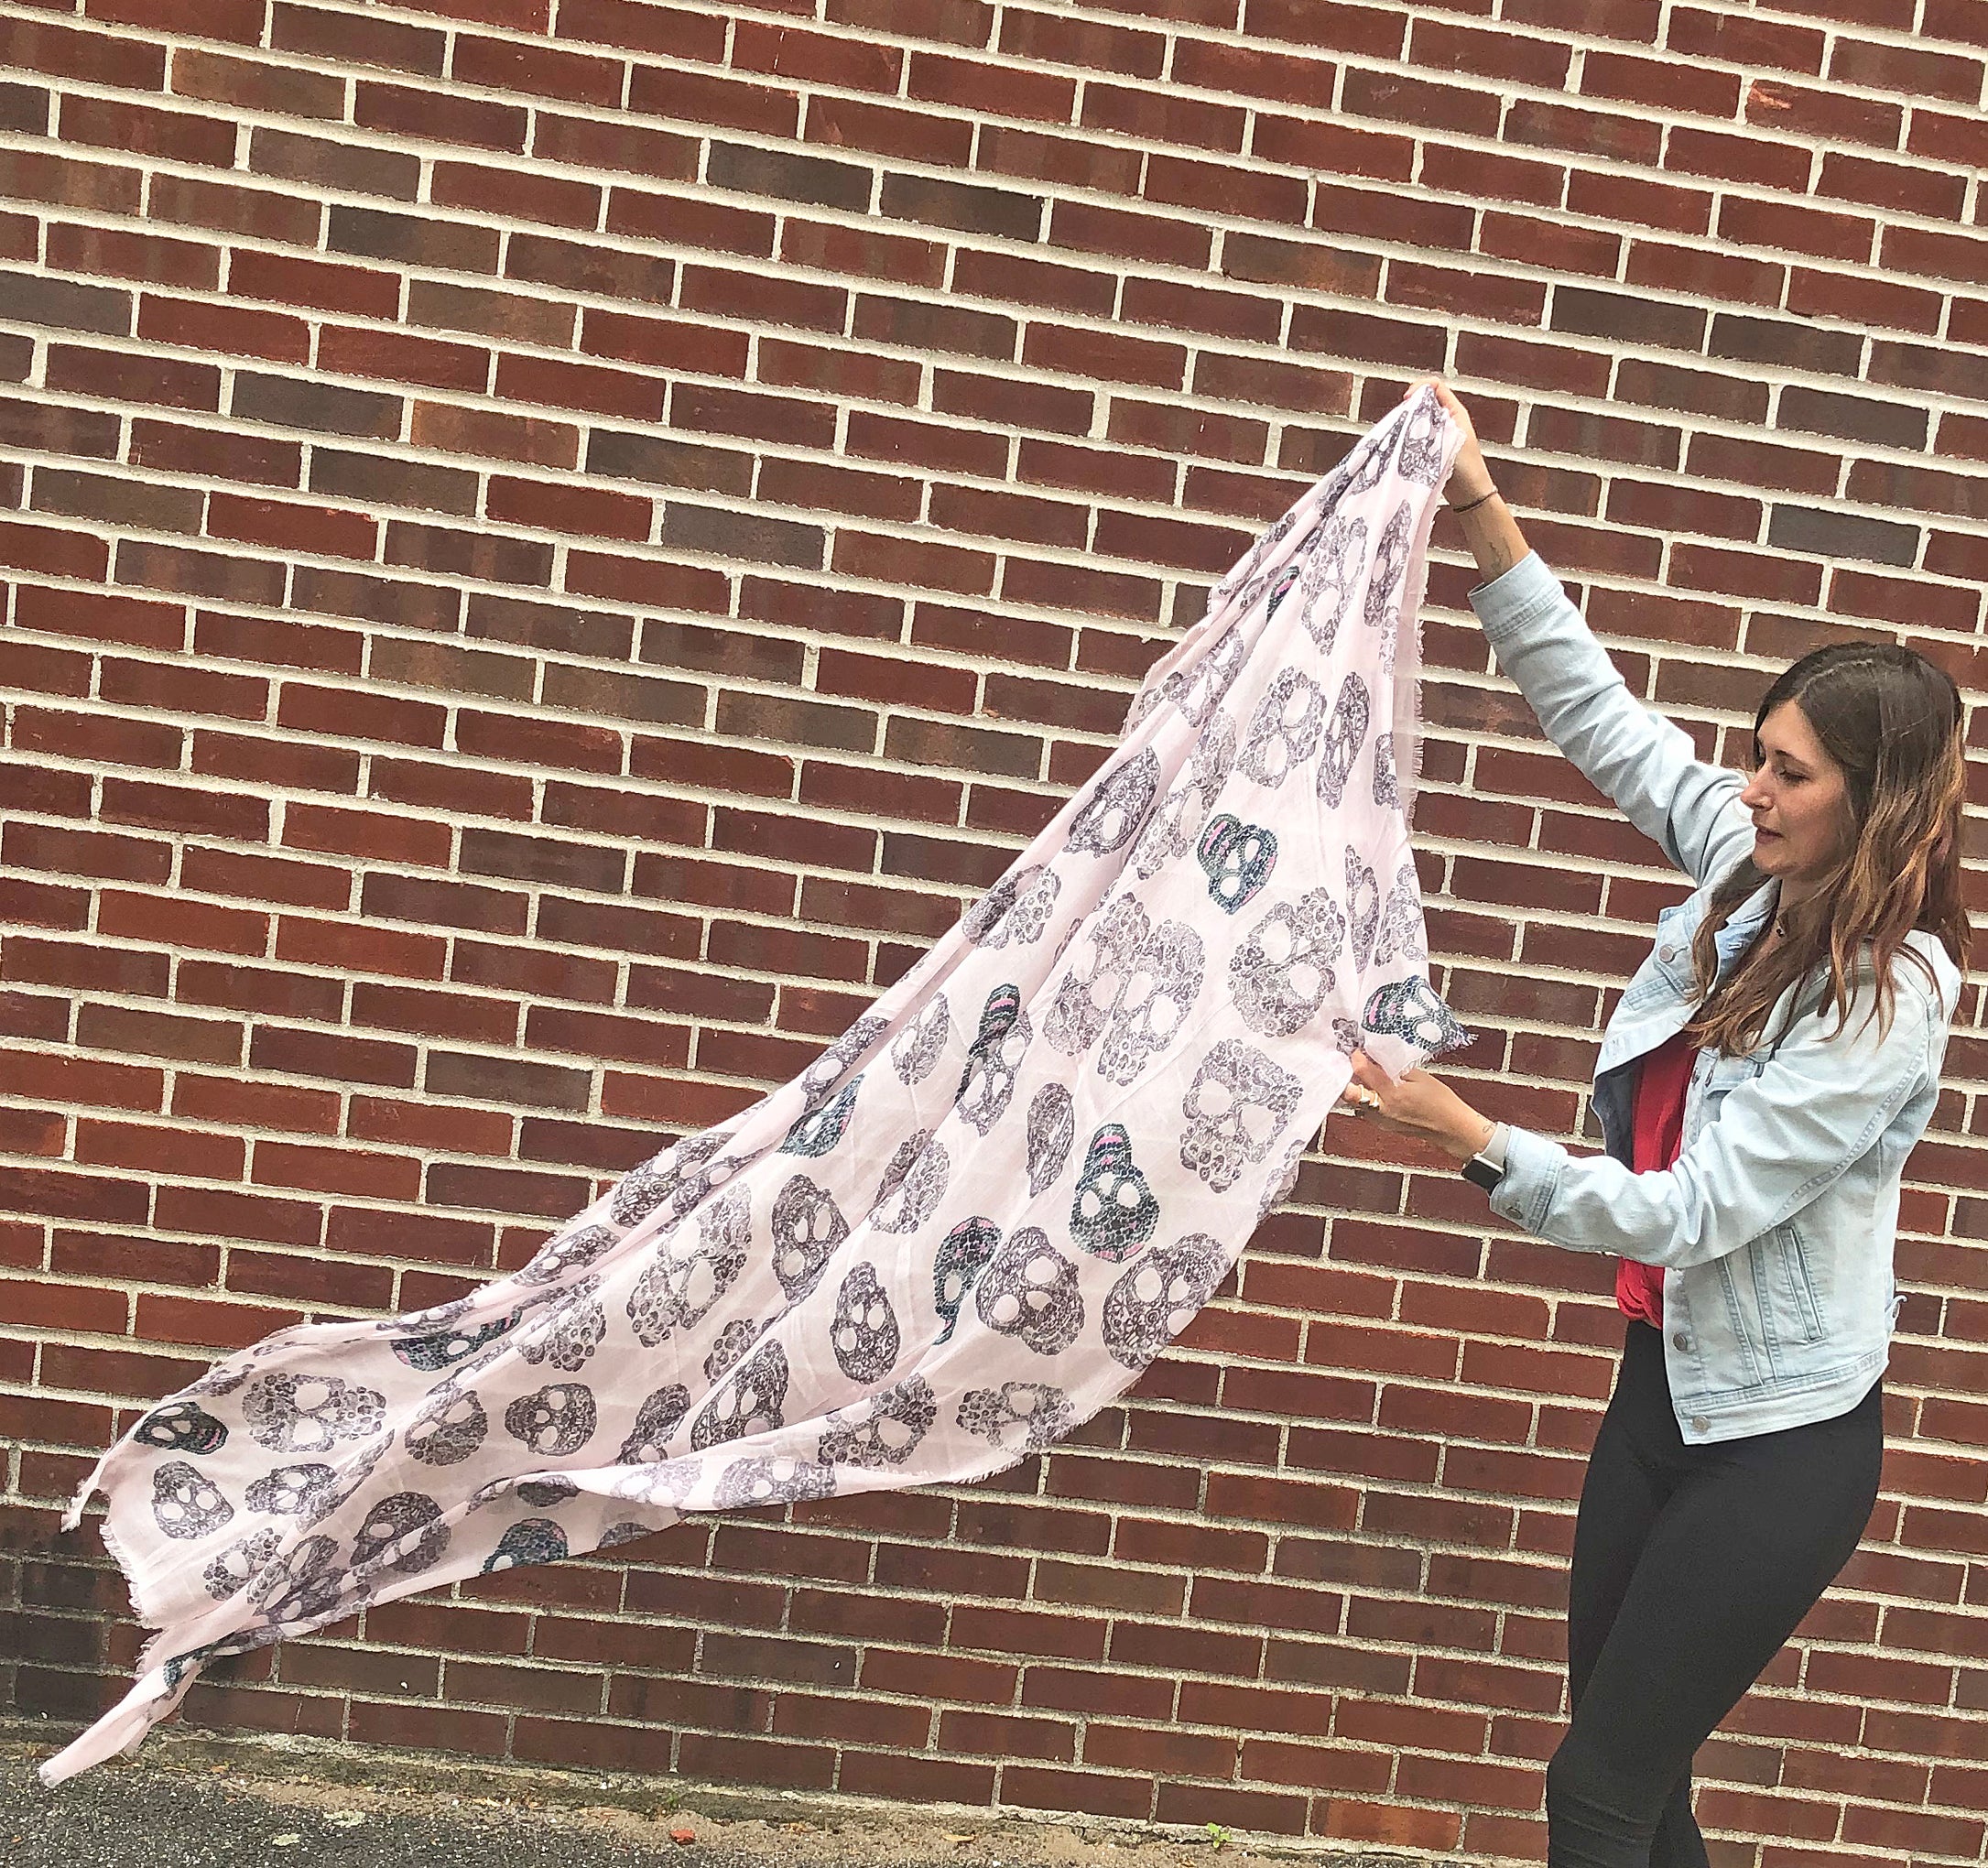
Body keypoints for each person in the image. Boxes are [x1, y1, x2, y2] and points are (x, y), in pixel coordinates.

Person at [1332, 378, 1971, 1867]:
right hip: (1660, 1403)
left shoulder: (1888, 1001)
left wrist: (1465, 1132)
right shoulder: (1747, 883)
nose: (1747, 787)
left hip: (1782, 1446)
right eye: (1754, 753)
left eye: (1787, 772)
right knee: (1641, 1786)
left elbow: (1693, 1212)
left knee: (1596, 1792)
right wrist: (1481, 511)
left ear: (1871, 807)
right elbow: (1601, 721)